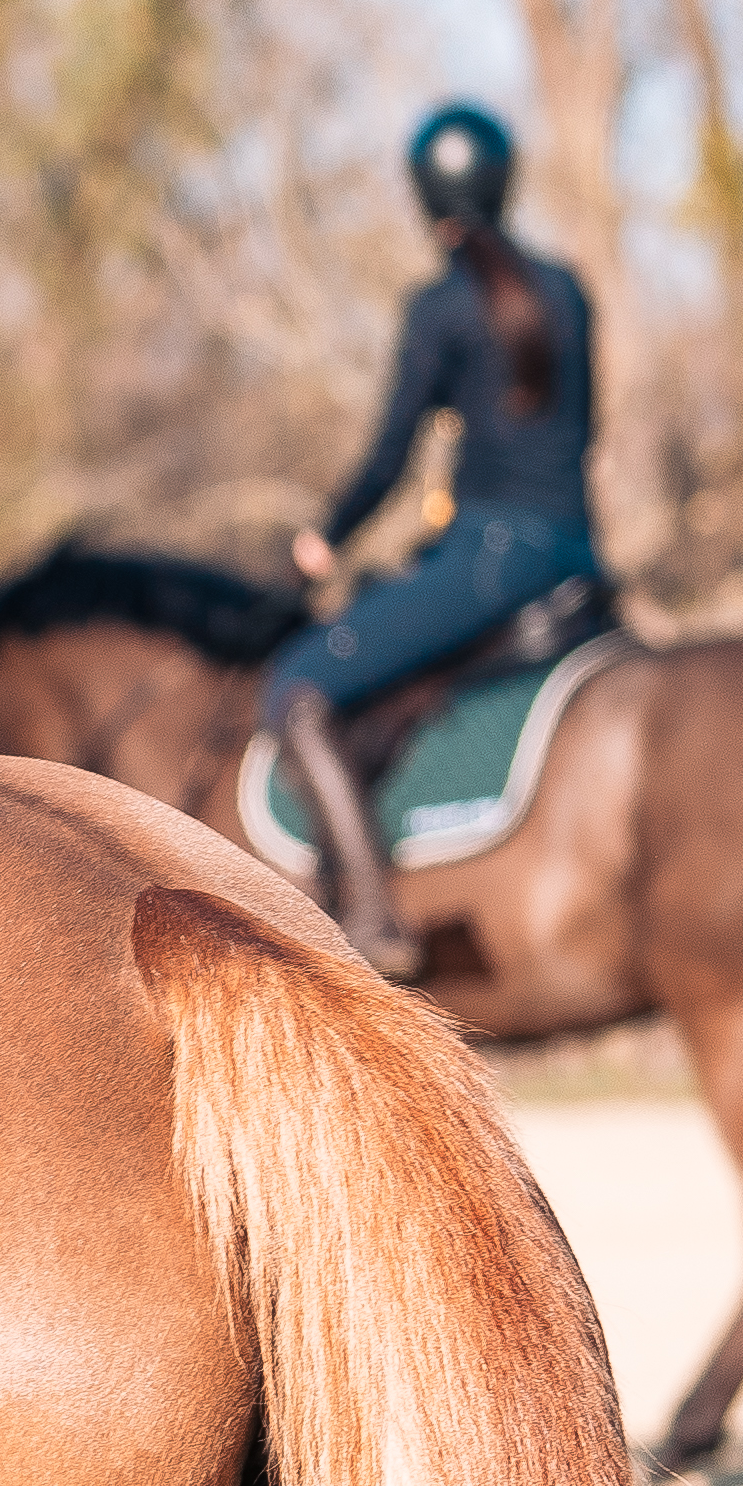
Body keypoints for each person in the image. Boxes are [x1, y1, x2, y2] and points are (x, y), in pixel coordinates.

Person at [263, 102, 605, 970]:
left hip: (493, 556)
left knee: (297, 686)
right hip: (576, 551)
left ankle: (374, 918)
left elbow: (390, 454)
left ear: (426, 199)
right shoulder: (567, 291)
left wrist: (324, 538)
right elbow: (583, 435)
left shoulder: (440, 308)